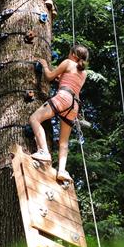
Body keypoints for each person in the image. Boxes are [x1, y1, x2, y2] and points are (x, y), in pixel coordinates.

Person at [29, 45, 89, 182]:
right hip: (74, 106)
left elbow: (49, 76)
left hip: (63, 97)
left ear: (73, 54)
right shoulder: (84, 73)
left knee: (34, 118)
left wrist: (44, 65)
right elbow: (71, 82)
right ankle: (62, 170)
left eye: (69, 53)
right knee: (64, 142)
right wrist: (61, 78)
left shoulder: (68, 63)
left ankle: (44, 151)